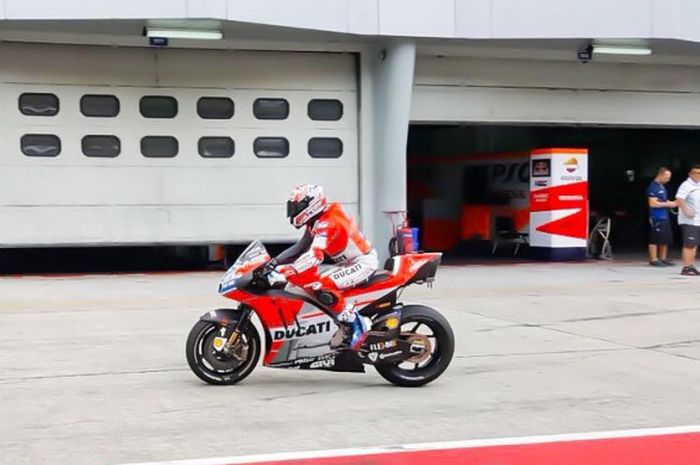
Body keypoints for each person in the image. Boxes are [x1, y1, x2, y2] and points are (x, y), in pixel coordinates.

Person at [266, 184, 378, 349]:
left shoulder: (328, 223)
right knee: (304, 281)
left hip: (362, 263)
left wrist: (287, 271)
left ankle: (358, 324)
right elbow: (301, 247)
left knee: (321, 285)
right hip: (345, 263)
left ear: (310, 205)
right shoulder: (316, 221)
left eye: (297, 207)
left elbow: (315, 255)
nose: (293, 211)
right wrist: (272, 262)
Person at [646, 167, 677, 267]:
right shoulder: (653, 187)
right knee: (654, 238)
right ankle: (653, 259)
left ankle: (663, 258)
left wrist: (672, 203)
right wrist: (668, 205)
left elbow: (663, 200)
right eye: (667, 177)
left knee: (665, 238)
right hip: (656, 216)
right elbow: (653, 203)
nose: (668, 179)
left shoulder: (662, 186)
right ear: (661, 175)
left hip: (664, 216)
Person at [675, 166, 700, 276]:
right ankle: (686, 267)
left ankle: (691, 265)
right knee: (689, 244)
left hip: (697, 220)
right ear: (690, 174)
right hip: (688, 221)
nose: (698, 175)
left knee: (694, 244)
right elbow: (679, 198)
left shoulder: (698, 185)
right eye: (696, 173)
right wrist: (686, 210)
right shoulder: (686, 185)